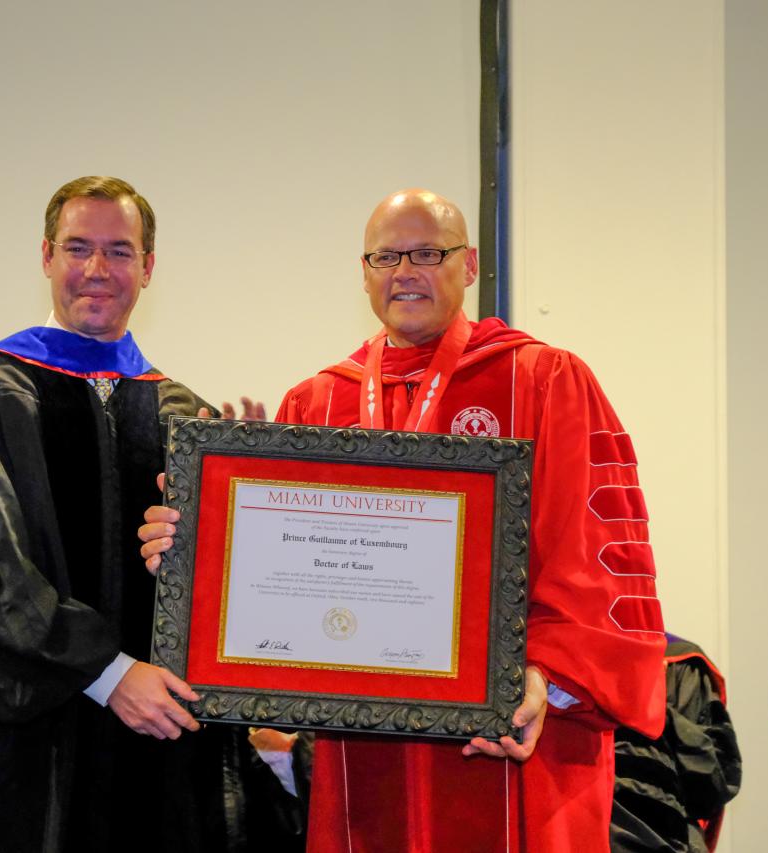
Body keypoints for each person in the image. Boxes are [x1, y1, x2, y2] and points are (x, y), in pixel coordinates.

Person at [140, 188, 666, 851]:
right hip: (363, 754)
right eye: (386, 256)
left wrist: (545, 677)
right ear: (363, 273)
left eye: (427, 252)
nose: (405, 272)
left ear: (469, 264)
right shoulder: (317, 403)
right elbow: (278, 585)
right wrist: (200, 546)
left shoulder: (544, 380)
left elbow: (595, 555)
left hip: (510, 740)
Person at [0, 175, 284, 853]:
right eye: (79, 248)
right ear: (46, 255)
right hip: (20, 757)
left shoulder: (183, 413)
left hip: (156, 749)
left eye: (119, 251)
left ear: (149, 267)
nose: (98, 270)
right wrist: (107, 671)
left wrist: (250, 513)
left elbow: (214, 605)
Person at [610, 634, 741, 852]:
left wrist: (655, 708)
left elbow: (710, 787)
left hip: (666, 836)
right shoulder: (556, 657)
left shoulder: (680, 662)